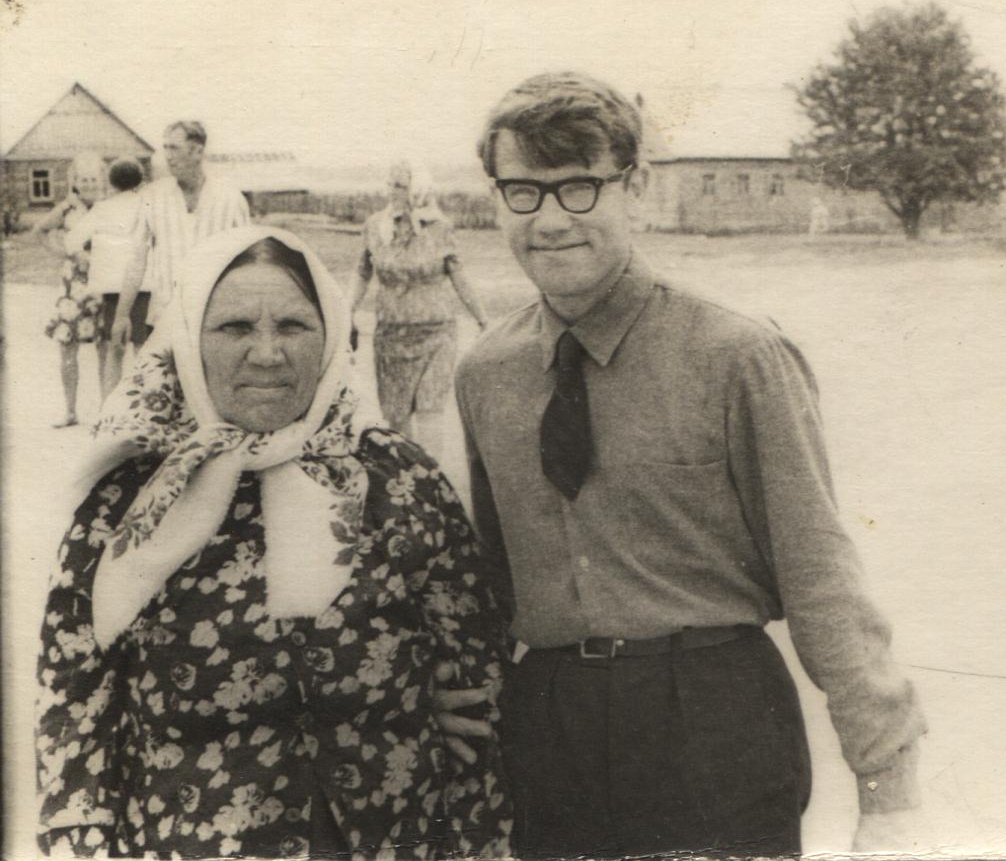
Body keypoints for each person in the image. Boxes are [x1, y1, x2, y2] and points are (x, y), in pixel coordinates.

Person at [450, 72, 925, 859]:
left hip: (714, 720)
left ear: (634, 186)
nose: (551, 220)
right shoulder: (485, 373)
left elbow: (819, 575)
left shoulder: (737, 355)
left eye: (579, 187)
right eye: (523, 193)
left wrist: (888, 786)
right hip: (552, 732)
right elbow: (491, 582)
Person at [36, 226, 509, 858]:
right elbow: (73, 705)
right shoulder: (127, 498)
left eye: (293, 326)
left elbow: (477, 691)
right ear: (188, 341)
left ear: (331, 335)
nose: (266, 354)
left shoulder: (400, 479)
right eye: (234, 327)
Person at [347, 160, 488, 464]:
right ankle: (407, 481)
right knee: (396, 417)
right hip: (391, 336)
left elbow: (458, 275)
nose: (392, 191)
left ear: (417, 189)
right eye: (390, 184)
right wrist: (347, 312)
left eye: (400, 186)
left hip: (436, 334)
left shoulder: (440, 228)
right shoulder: (375, 227)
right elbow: (362, 272)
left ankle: (433, 479)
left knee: (430, 410)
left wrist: (482, 319)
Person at [109, 120, 250, 348]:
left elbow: (246, 265)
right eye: (165, 148)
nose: (168, 156)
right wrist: (122, 316)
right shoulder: (152, 197)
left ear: (197, 151)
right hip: (163, 320)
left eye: (174, 148)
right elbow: (136, 261)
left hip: (214, 322)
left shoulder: (231, 200)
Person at [62, 158, 153, 398]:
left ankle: (110, 407)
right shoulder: (148, 206)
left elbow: (71, 242)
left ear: (111, 183)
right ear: (140, 181)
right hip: (143, 287)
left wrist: (90, 258)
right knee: (143, 348)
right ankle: (147, 404)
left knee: (115, 351)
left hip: (113, 290)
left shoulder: (102, 209)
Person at [38, 187, 101, 427]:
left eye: (93, 179)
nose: (89, 184)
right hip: (73, 284)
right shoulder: (68, 208)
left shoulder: (108, 205)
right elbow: (40, 231)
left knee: (105, 347)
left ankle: (107, 413)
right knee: (67, 345)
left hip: (102, 278)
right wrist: (65, 253)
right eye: (84, 179)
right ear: (76, 181)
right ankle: (70, 412)